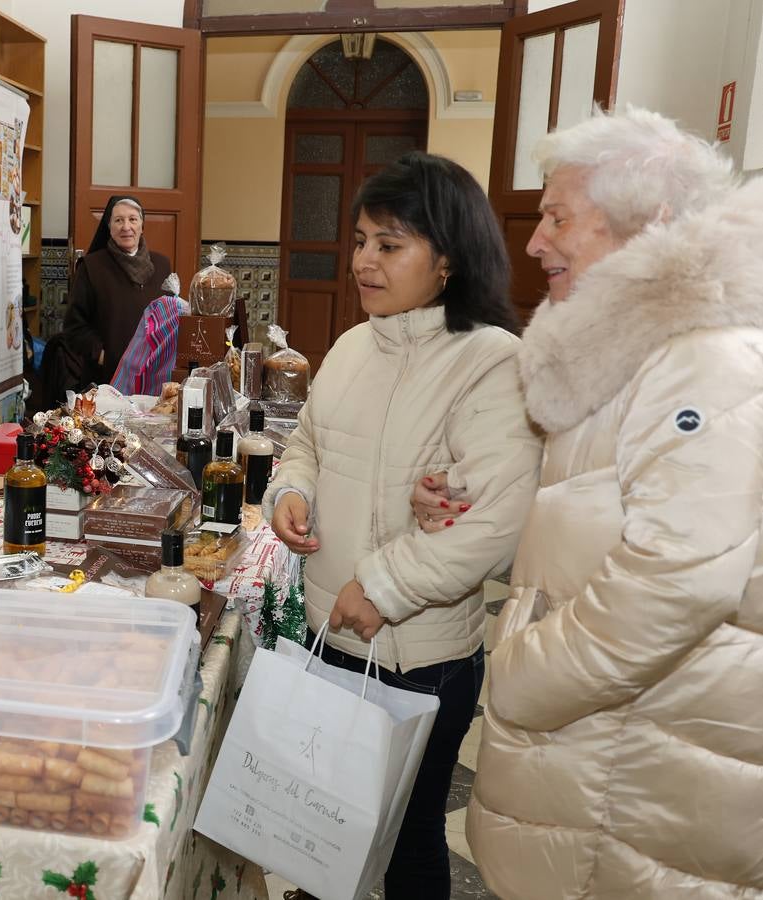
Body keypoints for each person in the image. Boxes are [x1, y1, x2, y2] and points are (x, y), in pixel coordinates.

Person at [412, 107, 763, 899]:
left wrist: (524, 672)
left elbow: (680, 577)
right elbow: (595, 494)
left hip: (643, 771)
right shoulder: (645, 349)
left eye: (557, 217)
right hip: (608, 753)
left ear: (653, 223)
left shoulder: (707, 361)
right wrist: (469, 492)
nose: (533, 242)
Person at [264, 152, 542, 898]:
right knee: (325, 825)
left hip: (419, 655)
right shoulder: (355, 344)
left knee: (407, 836)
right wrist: (290, 490)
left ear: (446, 258)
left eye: (388, 244)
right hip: (330, 630)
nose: (362, 261)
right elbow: (309, 443)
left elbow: (495, 520)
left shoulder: (492, 362)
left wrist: (384, 586)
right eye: (359, 240)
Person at [62, 195, 174, 386]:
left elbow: (170, 318)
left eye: (132, 219)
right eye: (118, 220)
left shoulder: (162, 265)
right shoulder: (91, 267)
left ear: (142, 226)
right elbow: (74, 327)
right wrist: (103, 356)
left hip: (154, 376)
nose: (126, 227)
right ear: (109, 227)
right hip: (107, 377)